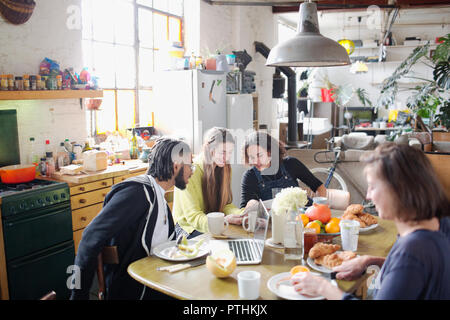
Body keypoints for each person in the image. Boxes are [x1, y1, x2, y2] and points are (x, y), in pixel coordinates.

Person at [290, 143, 450, 300]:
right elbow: (412, 270)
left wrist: (323, 287)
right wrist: (369, 261)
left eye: (372, 187)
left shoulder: (412, 250)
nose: (368, 196)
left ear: (399, 189)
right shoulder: (438, 226)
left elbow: (408, 262)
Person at [70, 137, 193, 300]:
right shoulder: (137, 193)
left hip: (156, 282)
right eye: (190, 165)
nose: (192, 171)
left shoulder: (157, 195)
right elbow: (89, 237)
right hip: (136, 291)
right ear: (176, 166)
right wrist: (77, 295)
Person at [173, 127, 252, 238]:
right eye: (223, 152)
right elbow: (193, 217)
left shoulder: (224, 168)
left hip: (212, 223)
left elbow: (225, 205)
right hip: (187, 228)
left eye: (230, 152)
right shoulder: (190, 171)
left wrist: (242, 214)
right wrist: (222, 221)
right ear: (209, 149)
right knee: (225, 241)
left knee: (241, 234)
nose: (227, 157)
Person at [240, 131, 326, 209]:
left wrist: (318, 208)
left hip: (301, 217)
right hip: (274, 222)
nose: (255, 161)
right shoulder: (250, 176)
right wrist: (252, 204)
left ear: (270, 152)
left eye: (259, 155)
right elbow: (245, 207)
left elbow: (318, 186)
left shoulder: (291, 164)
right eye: (251, 157)